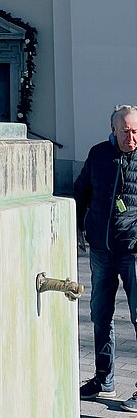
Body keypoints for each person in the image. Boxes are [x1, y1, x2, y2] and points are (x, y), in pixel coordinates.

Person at [75, 106, 137, 410]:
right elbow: (80, 192)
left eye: (136, 131)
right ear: (113, 130)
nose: (132, 137)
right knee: (100, 316)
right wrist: (76, 232)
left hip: (134, 250)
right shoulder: (99, 154)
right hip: (101, 249)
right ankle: (104, 379)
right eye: (125, 130)